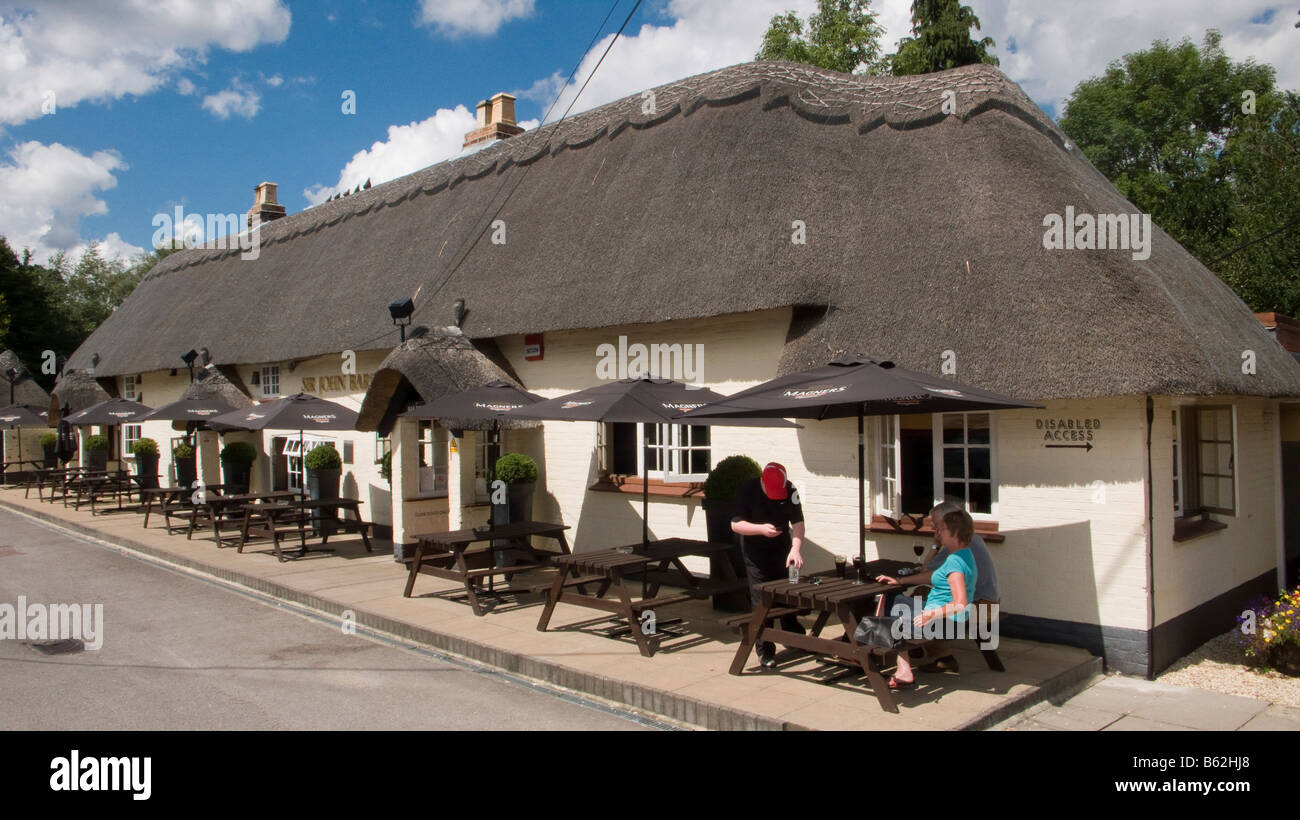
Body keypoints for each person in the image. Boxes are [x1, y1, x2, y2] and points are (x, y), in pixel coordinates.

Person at [875, 508, 978, 689]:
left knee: (888, 616)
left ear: (955, 533)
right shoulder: (963, 554)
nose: (937, 532)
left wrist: (930, 615)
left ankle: (886, 660)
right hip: (946, 618)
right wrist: (899, 580)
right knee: (890, 597)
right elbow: (931, 576)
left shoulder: (955, 562)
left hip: (944, 622)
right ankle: (899, 661)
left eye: (942, 529)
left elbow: (960, 603)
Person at [731, 462, 805, 669]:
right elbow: (735, 524)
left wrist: (795, 549)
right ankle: (765, 651)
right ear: (762, 481)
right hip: (755, 551)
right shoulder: (748, 490)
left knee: (790, 590)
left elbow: (798, 522)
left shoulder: (790, 490)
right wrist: (760, 529)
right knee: (762, 599)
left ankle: (793, 636)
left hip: (783, 548)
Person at [915, 500, 999, 672]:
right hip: (990, 603)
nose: (935, 530)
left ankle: (940, 656)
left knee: (920, 598)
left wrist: (935, 545)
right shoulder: (973, 538)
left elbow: (926, 572)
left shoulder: (954, 544)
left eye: (937, 525)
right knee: (927, 597)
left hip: (980, 607)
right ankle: (924, 649)